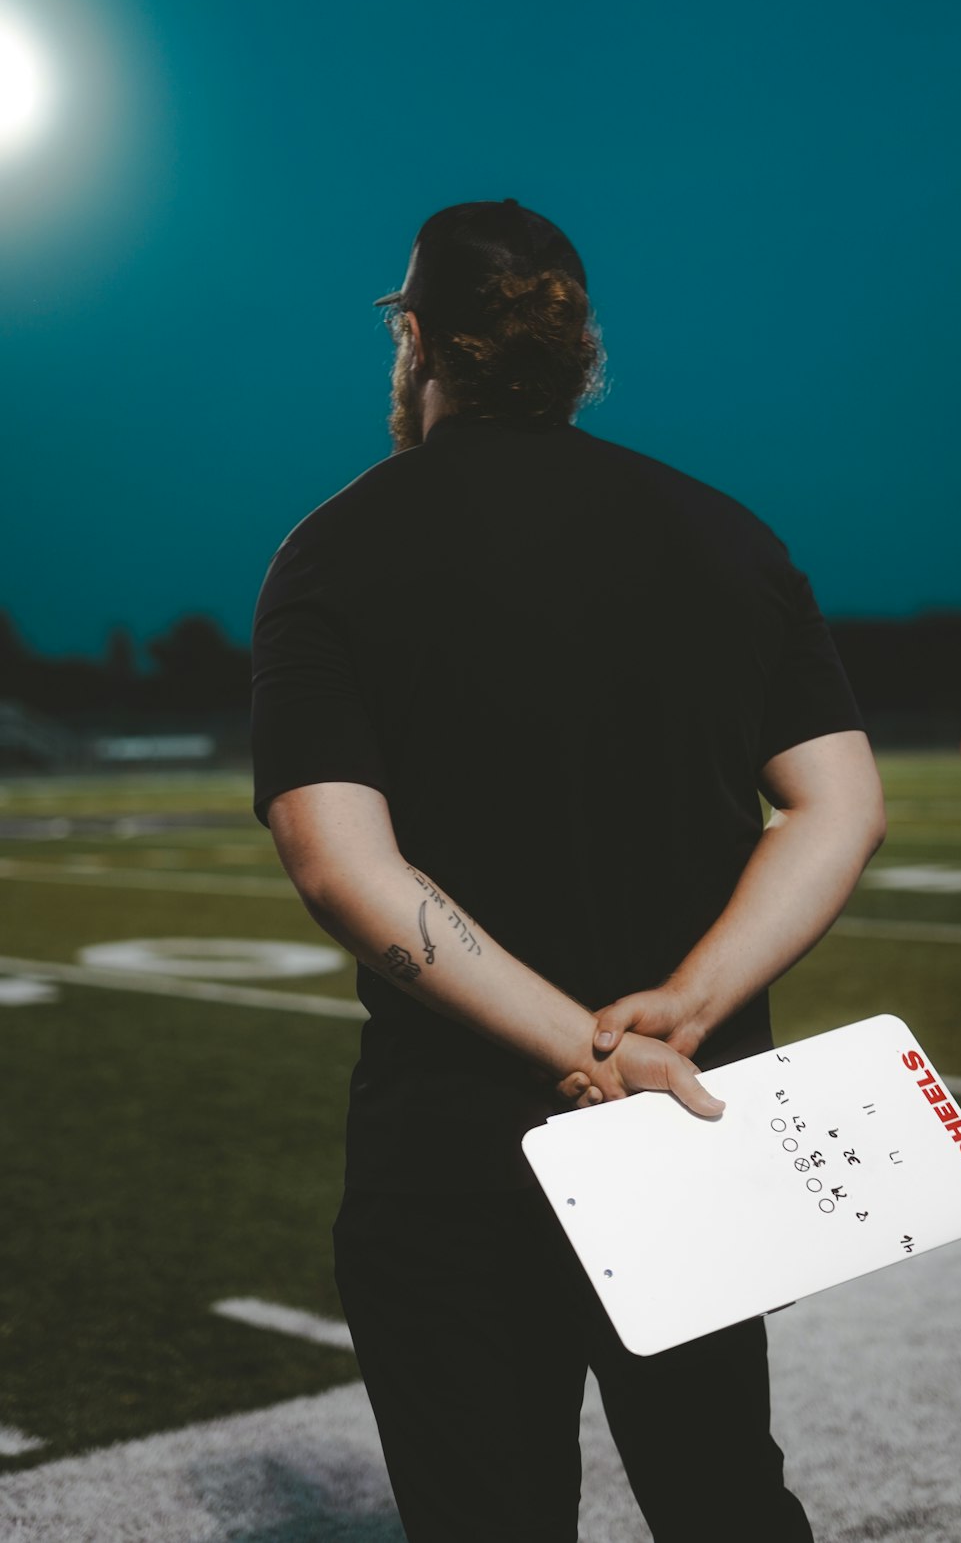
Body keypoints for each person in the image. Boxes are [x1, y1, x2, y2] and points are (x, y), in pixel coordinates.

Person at [249, 198, 887, 1543]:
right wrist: (683, 1015)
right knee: (724, 1496)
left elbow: (338, 862)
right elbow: (841, 806)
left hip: (459, 1146)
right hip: (694, 1121)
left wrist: (583, 1051)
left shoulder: (334, 551)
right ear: (576, 349)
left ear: (416, 338)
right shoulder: (729, 537)